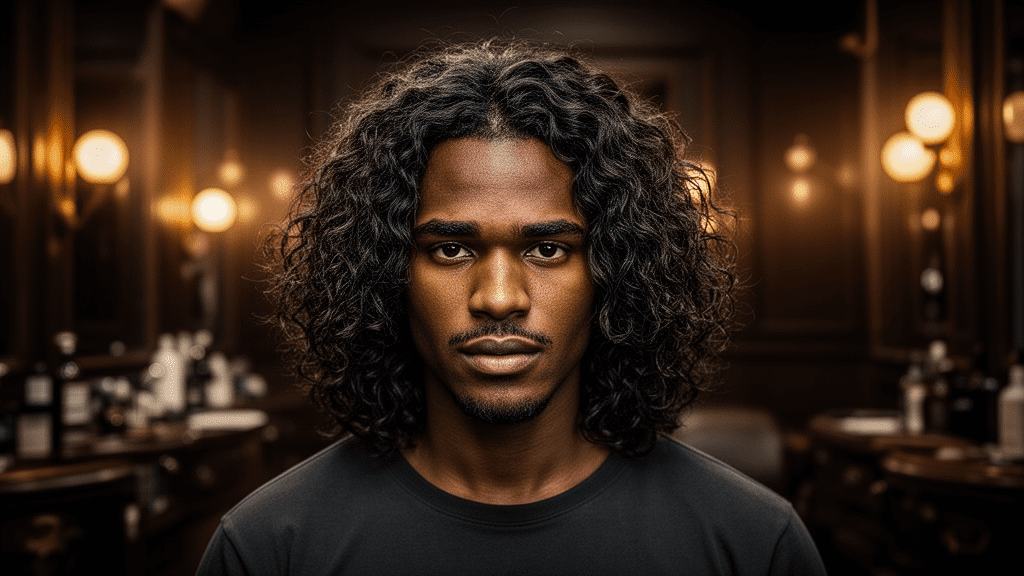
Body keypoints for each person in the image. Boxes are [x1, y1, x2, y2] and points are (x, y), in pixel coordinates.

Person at [197, 40, 827, 575]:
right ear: (387, 272)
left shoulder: (751, 544)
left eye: (549, 249)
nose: (499, 298)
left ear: (616, 270)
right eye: (449, 250)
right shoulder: (269, 548)